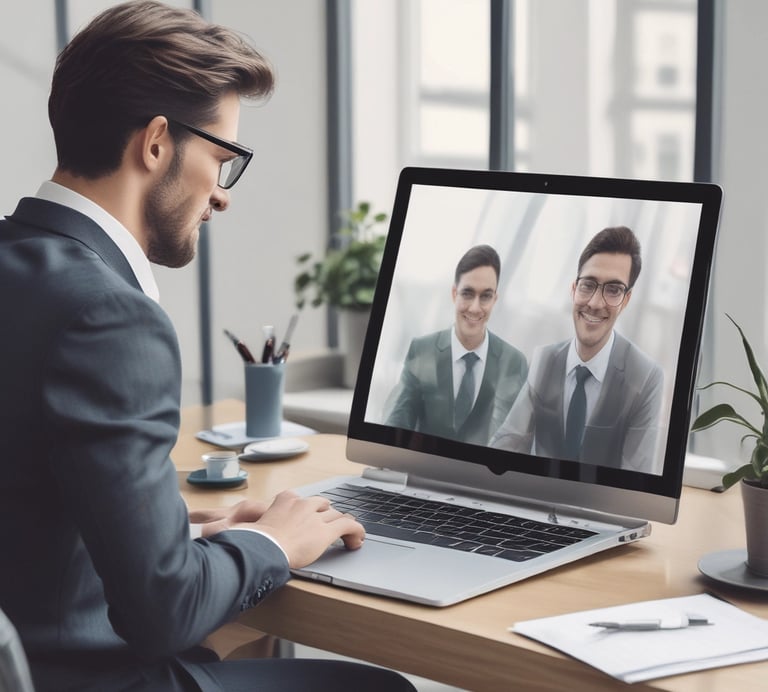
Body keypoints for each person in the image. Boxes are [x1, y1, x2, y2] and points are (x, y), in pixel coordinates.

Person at [0, 3, 417, 691]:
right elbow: (164, 613)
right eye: (222, 160)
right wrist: (275, 541)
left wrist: (186, 537)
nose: (223, 196)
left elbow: (29, 512)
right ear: (156, 143)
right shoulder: (109, 319)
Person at [490, 226, 664, 473]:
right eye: (588, 285)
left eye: (613, 290)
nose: (595, 303)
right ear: (574, 289)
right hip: (536, 493)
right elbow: (507, 444)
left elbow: (635, 478)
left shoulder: (646, 377)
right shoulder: (544, 359)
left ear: (626, 300)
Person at [385, 244, 528, 445]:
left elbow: (509, 439)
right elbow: (396, 425)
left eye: (486, 296)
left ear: (495, 299)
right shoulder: (422, 351)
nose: (475, 308)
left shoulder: (513, 362)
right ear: (454, 294)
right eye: (467, 293)